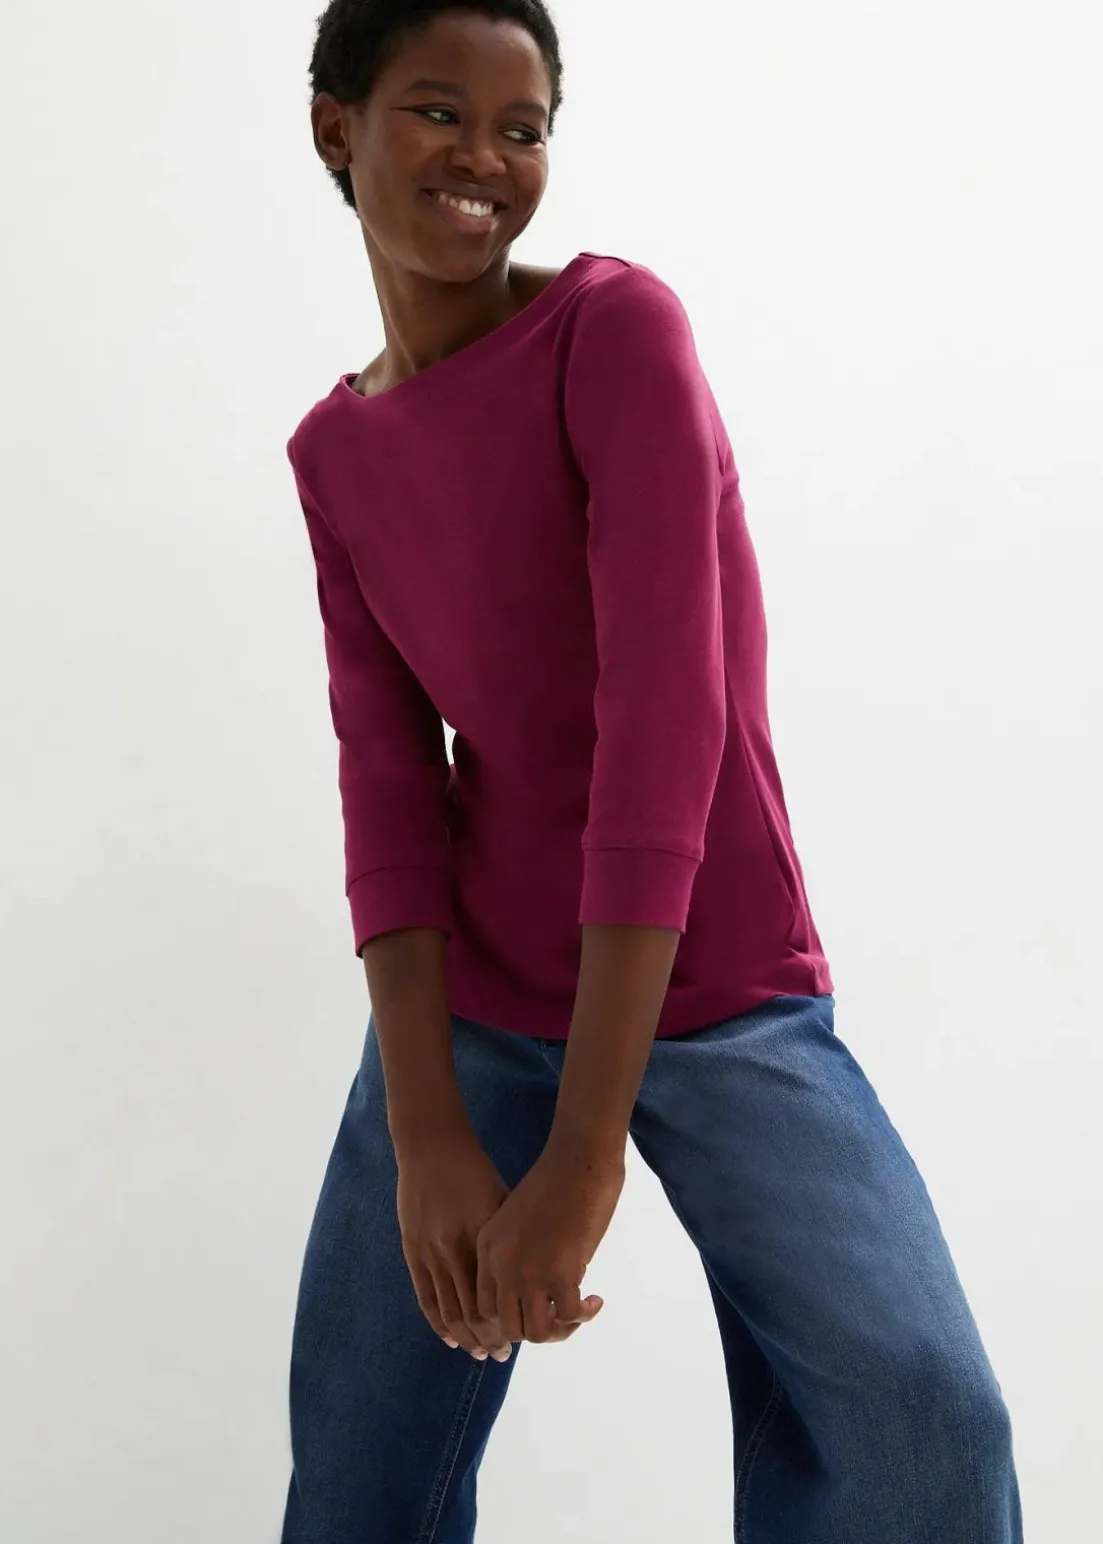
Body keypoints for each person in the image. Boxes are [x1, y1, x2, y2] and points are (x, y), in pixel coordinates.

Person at [279, 3, 1022, 1540]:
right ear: (335, 128)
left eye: (523, 127)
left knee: (924, 1428)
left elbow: (663, 726)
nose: (485, 157)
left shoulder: (612, 335)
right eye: (438, 111)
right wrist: (427, 1129)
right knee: (358, 1481)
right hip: (478, 998)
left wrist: (581, 1148)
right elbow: (387, 791)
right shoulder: (334, 455)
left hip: (713, 983)